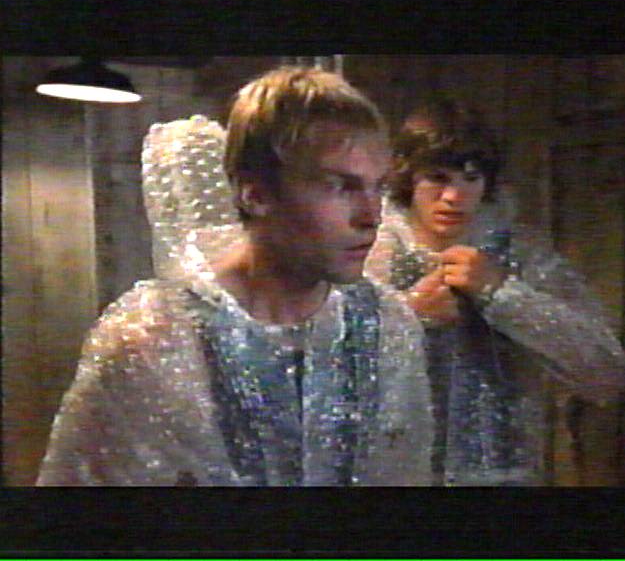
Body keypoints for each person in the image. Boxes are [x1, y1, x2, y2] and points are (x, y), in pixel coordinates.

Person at [37, 67, 434, 486]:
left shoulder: (386, 327)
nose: (372, 216)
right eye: (340, 186)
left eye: (377, 187)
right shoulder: (155, 337)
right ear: (255, 194)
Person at [364, 97, 625, 485]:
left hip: (502, 474)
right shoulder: (367, 253)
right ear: (408, 178)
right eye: (437, 178)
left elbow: (604, 371)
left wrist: (501, 293)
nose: (454, 196)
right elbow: (319, 368)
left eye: (470, 179)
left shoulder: (521, 255)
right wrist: (407, 316)